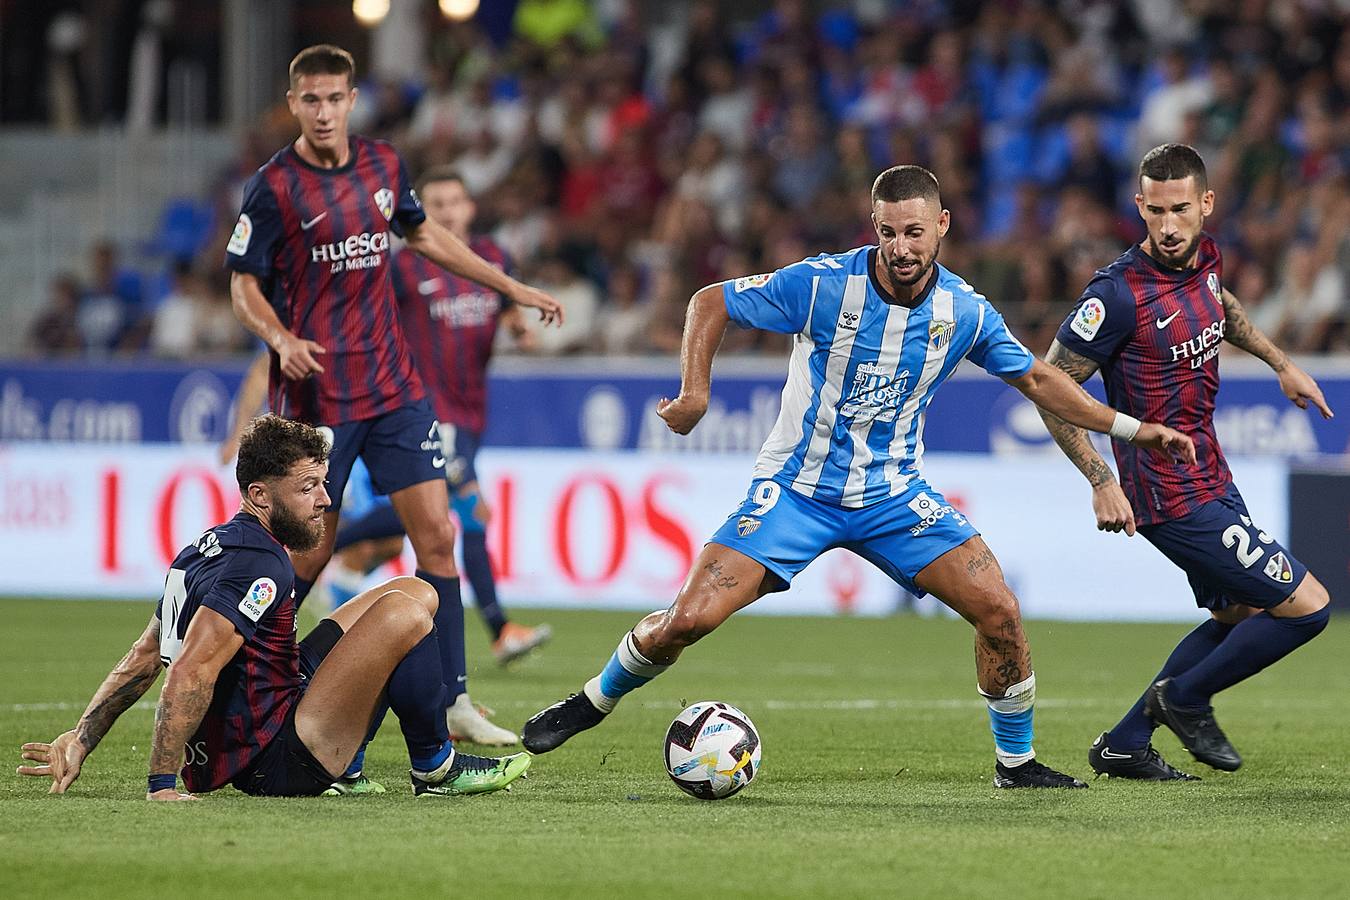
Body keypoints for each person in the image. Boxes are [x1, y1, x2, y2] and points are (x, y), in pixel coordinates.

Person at [522, 165, 1197, 789]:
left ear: (942, 226)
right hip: (796, 492)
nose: (901, 248)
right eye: (887, 232)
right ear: (873, 228)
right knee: (684, 622)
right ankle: (592, 701)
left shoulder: (963, 312)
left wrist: (1129, 432)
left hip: (894, 497)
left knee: (1000, 610)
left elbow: (1042, 379)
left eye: (913, 231)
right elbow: (708, 301)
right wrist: (695, 391)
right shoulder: (822, 285)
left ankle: (1014, 763)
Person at [223, 45, 562, 747]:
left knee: (440, 535)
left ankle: (453, 701)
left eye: (335, 98)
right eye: (310, 100)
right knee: (308, 555)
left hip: (395, 389)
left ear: (352, 101)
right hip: (320, 397)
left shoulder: (382, 166)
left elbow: (424, 234)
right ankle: (252, 687)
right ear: (294, 104)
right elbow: (242, 282)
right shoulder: (273, 186)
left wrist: (509, 286)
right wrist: (280, 338)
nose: (323, 112)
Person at [17, 415, 530, 799]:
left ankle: (349, 769)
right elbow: (190, 668)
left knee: (417, 591)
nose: (325, 501)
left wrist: (82, 738)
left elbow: (145, 655)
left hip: (271, 711)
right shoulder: (262, 567)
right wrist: (161, 783)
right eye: (308, 488)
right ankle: (435, 769)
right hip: (275, 760)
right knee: (407, 615)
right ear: (260, 495)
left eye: (322, 484)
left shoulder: (206, 547)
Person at [1040, 143, 1334, 781]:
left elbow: (1221, 309)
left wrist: (1282, 364)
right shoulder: (1117, 295)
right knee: (1308, 608)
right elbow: (1050, 386)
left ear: (1205, 204)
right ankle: (1185, 697)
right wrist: (1100, 478)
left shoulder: (1205, 259)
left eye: (1180, 210)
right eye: (1155, 212)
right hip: (1165, 489)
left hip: (1211, 471)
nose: (1168, 227)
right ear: (1138, 207)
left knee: (1238, 615)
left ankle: (1124, 743)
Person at [325, 167, 550, 669]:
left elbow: (505, 305)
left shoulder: (492, 259)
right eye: (437, 203)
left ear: (470, 207)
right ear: (421, 213)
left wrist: (518, 327)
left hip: (471, 412)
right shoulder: (404, 268)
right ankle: (500, 629)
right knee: (468, 511)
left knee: (424, 521)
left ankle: (327, 548)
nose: (448, 211)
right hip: (426, 410)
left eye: (456, 201)